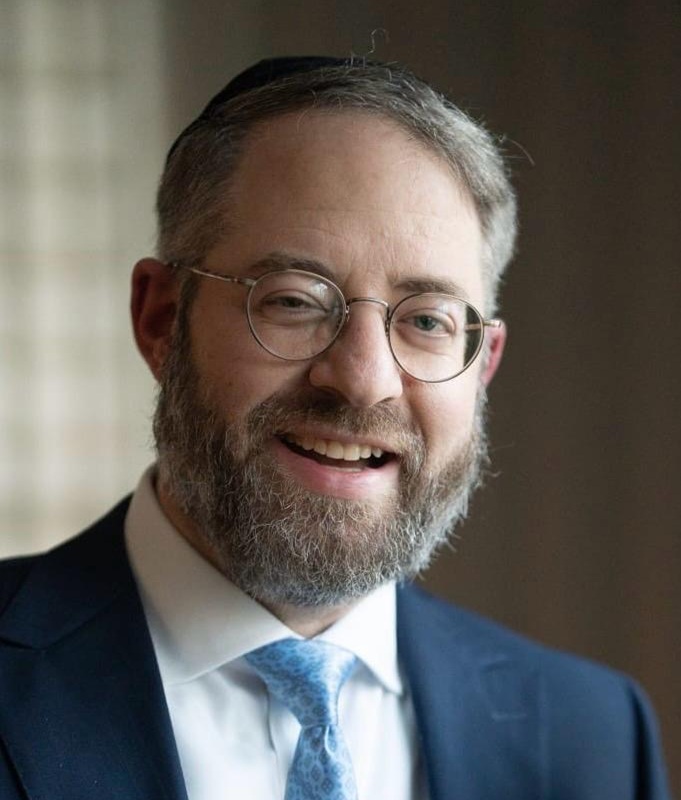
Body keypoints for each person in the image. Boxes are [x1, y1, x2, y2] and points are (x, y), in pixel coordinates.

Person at [0, 56, 670, 800]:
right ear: (161, 319)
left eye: (425, 320)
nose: (362, 378)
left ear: (481, 366)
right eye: (293, 300)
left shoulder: (591, 734)